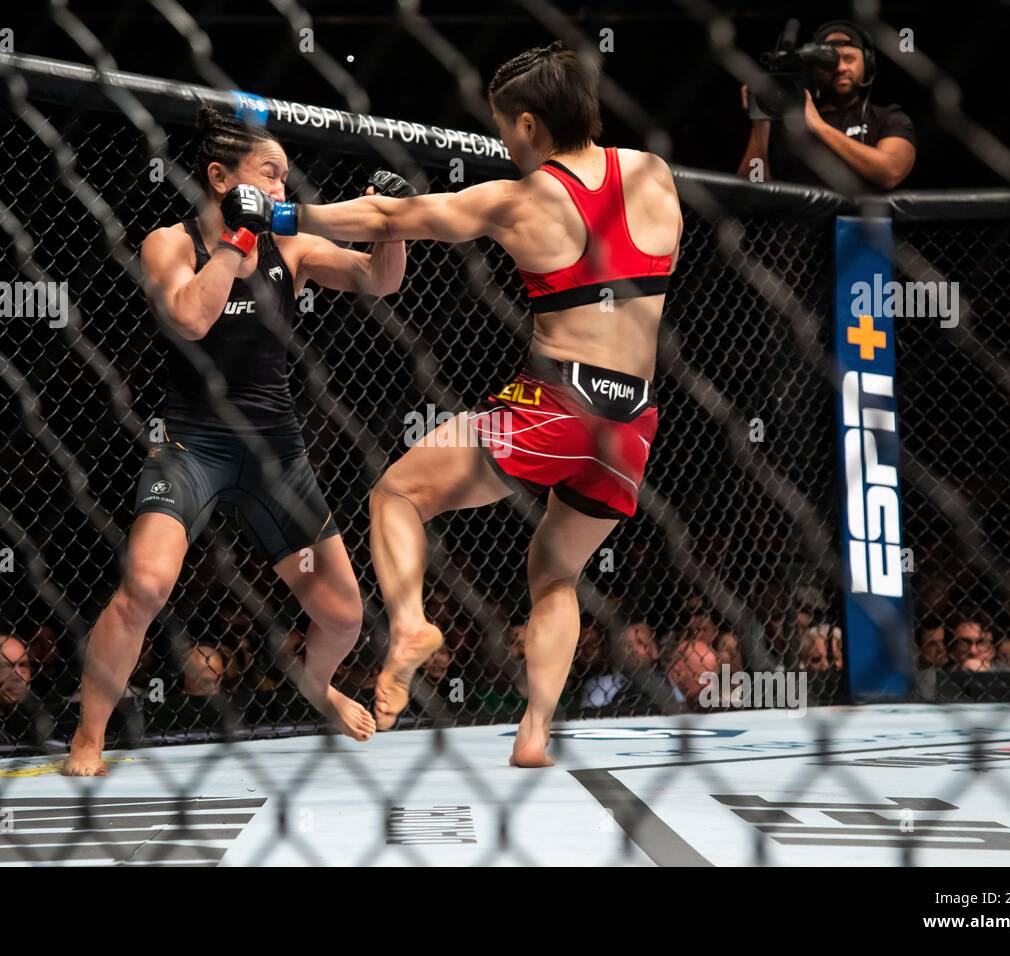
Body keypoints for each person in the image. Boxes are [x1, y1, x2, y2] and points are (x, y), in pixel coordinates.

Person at [225, 41, 681, 766]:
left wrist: (281, 220)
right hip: (635, 420)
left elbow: (386, 217)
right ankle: (534, 735)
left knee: (397, 496)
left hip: (561, 400)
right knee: (556, 572)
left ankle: (409, 624)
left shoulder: (521, 199)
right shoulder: (654, 174)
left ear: (529, 124)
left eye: (505, 127)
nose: (502, 140)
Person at [63, 108, 413, 774]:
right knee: (143, 587)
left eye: (286, 178)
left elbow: (379, 278)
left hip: (275, 451)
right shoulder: (168, 243)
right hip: (192, 446)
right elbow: (192, 319)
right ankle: (89, 737)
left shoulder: (296, 246)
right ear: (220, 177)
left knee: (342, 617)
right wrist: (235, 237)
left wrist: (391, 223)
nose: (283, 189)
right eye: (270, 175)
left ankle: (318, 685)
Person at [737, 20, 915, 190]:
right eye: (830, 61)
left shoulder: (888, 118)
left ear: (867, 65)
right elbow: (751, 188)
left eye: (849, 58)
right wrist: (761, 121)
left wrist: (819, 126)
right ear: (814, 69)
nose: (841, 68)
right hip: (796, 221)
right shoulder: (788, 124)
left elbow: (891, 171)